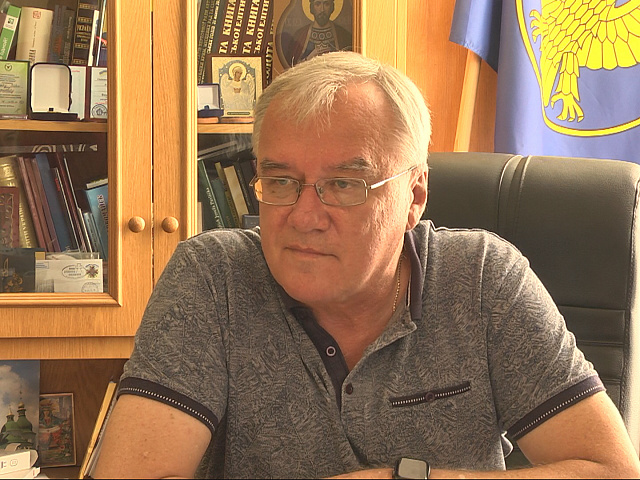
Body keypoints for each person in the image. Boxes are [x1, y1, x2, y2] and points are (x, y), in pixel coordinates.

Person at [93, 51, 640, 478]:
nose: (304, 216)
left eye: (344, 184)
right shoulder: (214, 278)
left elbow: (610, 471)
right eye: (280, 180)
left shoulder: (481, 279)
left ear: (415, 195)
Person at [284, 0, 352, 66]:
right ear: (311, 8)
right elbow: (292, 67)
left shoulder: (342, 34)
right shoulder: (300, 35)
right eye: (317, 4)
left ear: (332, 7)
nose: (322, 9)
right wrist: (309, 58)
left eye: (326, 4)